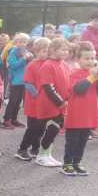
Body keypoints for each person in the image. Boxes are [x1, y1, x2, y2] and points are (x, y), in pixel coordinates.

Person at [62, 43, 98, 175]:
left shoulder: (94, 74)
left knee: (82, 141)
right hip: (76, 114)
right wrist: (92, 77)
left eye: (92, 58)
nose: (90, 61)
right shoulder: (74, 73)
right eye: (86, 58)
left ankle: (77, 162)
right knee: (72, 141)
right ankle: (67, 163)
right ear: (78, 59)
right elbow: (79, 89)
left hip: (89, 114)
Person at [34, 38, 71, 167]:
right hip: (49, 104)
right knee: (50, 129)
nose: (66, 52)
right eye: (63, 49)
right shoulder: (48, 65)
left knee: (55, 130)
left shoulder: (64, 64)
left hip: (61, 104)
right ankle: (41, 156)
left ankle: (47, 154)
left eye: (67, 50)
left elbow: (68, 84)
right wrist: (60, 102)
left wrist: (68, 98)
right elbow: (48, 87)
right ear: (53, 50)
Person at [15, 38, 50, 161]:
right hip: (34, 103)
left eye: (47, 51)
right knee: (32, 128)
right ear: (36, 51)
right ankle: (22, 149)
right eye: (43, 51)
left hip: (44, 103)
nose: (45, 54)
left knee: (41, 128)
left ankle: (35, 149)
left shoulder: (48, 64)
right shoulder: (31, 65)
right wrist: (39, 96)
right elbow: (28, 84)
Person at [1, 33, 32, 129]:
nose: (22, 44)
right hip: (15, 80)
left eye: (24, 42)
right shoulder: (13, 52)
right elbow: (13, 65)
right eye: (20, 42)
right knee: (13, 101)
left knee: (19, 101)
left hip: (23, 80)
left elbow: (28, 65)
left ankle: (14, 119)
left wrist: (30, 59)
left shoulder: (26, 51)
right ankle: (6, 120)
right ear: (15, 42)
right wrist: (23, 59)